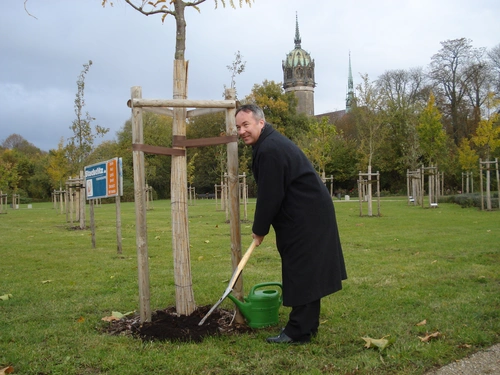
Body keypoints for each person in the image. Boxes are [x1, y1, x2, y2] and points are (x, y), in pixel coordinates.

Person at [235, 104, 347, 344]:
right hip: (305, 212)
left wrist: (259, 230)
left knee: (301, 270)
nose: (242, 131)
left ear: (260, 123)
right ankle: (307, 326)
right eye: (238, 127)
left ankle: (298, 332)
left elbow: (270, 194)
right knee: (304, 270)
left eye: (246, 125)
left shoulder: (269, 149)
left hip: (307, 215)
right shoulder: (268, 144)